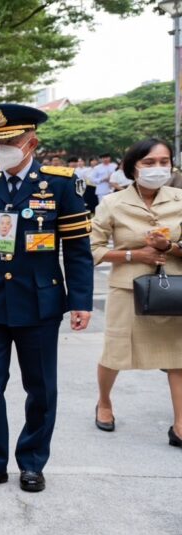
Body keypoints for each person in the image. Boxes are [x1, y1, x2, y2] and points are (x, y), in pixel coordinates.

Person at [0, 104, 94, 494]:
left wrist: (81, 300)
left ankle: (31, 462)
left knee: (41, 387)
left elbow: (78, 250)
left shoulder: (60, 184)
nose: (1, 148)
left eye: (10, 141)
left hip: (39, 301)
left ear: (31, 142)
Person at [90, 138, 182, 446]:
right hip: (127, 289)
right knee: (115, 353)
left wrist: (167, 247)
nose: (158, 168)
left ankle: (180, 423)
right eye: (149, 163)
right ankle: (104, 402)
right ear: (133, 167)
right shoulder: (112, 204)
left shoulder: (180, 199)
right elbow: (93, 249)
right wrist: (134, 255)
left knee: (178, 356)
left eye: (164, 162)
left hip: (173, 290)